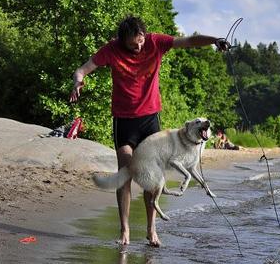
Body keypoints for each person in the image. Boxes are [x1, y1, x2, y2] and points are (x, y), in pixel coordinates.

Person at [69, 15, 230, 247]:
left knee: (152, 177)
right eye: (133, 43)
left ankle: (151, 229)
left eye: (141, 40)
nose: (139, 46)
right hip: (124, 121)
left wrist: (214, 40)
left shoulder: (155, 42)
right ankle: (124, 231)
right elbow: (82, 69)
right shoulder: (112, 50)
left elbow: (189, 41)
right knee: (125, 172)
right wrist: (78, 80)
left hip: (149, 121)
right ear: (122, 40)